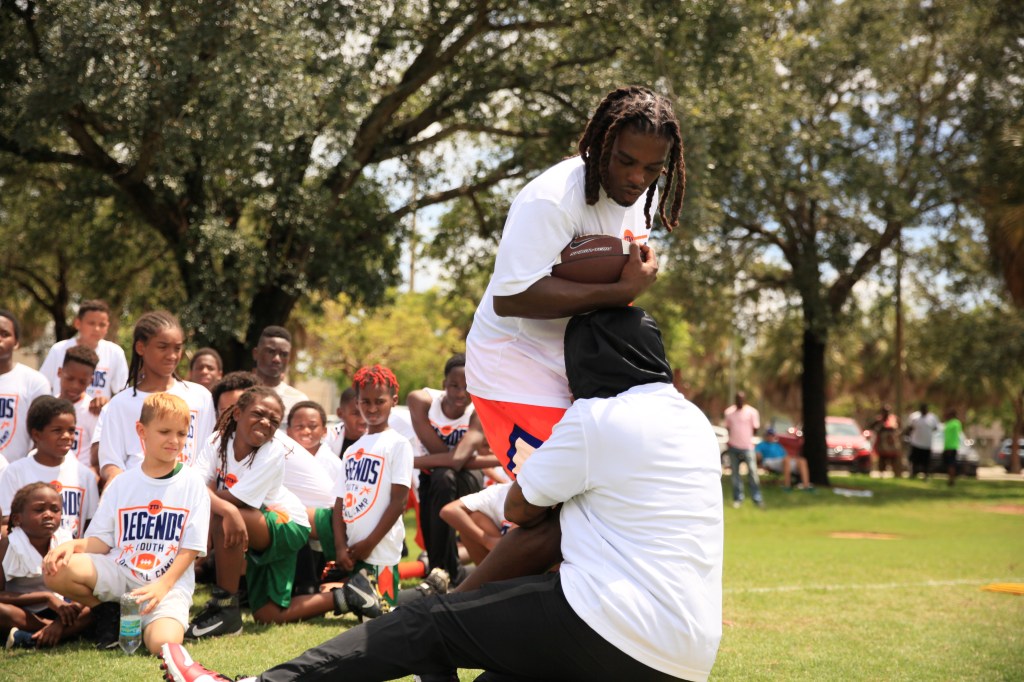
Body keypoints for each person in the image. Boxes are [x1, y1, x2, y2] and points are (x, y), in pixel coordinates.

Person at [158, 306, 724, 682]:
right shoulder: (692, 420)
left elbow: (524, 510)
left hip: (609, 622)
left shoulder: (598, 417)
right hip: (685, 656)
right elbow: (549, 531)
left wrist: (451, 607)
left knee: (421, 624)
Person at [464, 85, 685, 481]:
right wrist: (621, 292)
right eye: (625, 161)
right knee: (555, 501)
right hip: (513, 367)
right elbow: (510, 296)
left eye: (653, 169)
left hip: (573, 368)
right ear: (601, 145)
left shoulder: (639, 201)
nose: (637, 178)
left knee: (603, 494)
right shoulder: (553, 198)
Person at [43, 393, 210, 655]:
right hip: (121, 574)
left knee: (163, 645)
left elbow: (191, 549)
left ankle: (144, 621)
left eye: (181, 433)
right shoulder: (122, 483)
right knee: (56, 569)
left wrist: (162, 586)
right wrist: (73, 545)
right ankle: (107, 611)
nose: (174, 440)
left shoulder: (193, 483)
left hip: (167, 585)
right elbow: (101, 542)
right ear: (141, 431)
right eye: (164, 431)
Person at [185, 387, 338, 638]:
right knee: (268, 614)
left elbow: (235, 500)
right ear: (237, 413)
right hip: (260, 522)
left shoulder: (273, 450)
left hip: (288, 524)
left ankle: (225, 609)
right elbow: (194, 484)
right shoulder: (217, 440)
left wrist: (223, 507)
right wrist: (224, 506)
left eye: (274, 421)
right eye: (258, 414)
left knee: (226, 516)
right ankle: (347, 596)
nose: (266, 422)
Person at [310, 365, 413, 614]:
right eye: (365, 402)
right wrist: (340, 546)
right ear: (357, 402)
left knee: (382, 618)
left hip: (381, 549)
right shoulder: (352, 450)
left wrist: (370, 542)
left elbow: (399, 502)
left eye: (380, 401)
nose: (372, 408)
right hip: (354, 550)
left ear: (394, 401)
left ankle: (422, 594)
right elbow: (340, 502)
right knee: (365, 610)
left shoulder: (399, 444)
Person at [92, 310, 216, 485]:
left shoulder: (200, 397)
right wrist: (120, 482)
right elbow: (111, 462)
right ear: (140, 348)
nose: (172, 355)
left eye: (177, 348)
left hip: (187, 495)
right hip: (137, 497)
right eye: (162, 347)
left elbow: (209, 457)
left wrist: (194, 490)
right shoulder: (120, 403)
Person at [407, 354, 496, 584]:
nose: (461, 393)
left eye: (468, 387)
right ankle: (447, 573)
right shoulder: (421, 401)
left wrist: (411, 461)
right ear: (443, 384)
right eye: (454, 386)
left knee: (444, 475)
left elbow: (456, 461)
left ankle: (441, 573)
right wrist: (453, 458)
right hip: (433, 477)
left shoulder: (478, 411)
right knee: (440, 480)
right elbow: (447, 455)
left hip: (468, 478)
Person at [0, 482, 93, 649]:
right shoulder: (7, 546)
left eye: (55, 510)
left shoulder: (67, 542)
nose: (48, 515)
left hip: (64, 611)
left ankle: (31, 638)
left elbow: (88, 588)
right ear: (17, 518)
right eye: (39, 510)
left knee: (96, 605)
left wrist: (60, 622)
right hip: (24, 613)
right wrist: (45, 597)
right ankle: (63, 632)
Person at [0, 397, 98, 540]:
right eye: (57, 430)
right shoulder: (15, 472)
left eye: (71, 430)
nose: (66, 436)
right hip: (27, 552)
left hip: (71, 552)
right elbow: (6, 523)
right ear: (36, 434)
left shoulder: (85, 475)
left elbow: (91, 524)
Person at [38, 300, 128, 412]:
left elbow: (122, 392)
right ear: (78, 323)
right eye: (91, 323)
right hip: (61, 414)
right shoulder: (59, 349)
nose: (97, 329)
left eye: (102, 325)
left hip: (97, 417)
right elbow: (43, 385)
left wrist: (106, 402)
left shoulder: (115, 353)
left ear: (107, 326)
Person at [0, 310, 51, 465]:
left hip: (16, 475)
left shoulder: (35, 382)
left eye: (4, 334)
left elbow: (43, 434)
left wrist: (26, 471)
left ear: (16, 342)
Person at [439, 482, 514, 566]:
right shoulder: (500, 491)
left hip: (521, 554)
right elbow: (448, 510)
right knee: (473, 519)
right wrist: (488, 541)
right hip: (504, 554)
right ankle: (489, 573)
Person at [55, 345, 101, 473]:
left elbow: (98, 461)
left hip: (80, 480)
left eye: (82, 381)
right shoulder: (48, 406)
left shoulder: (94, 411)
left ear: (91, 381)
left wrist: (90, 478)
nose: (75, 386)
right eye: (70, 378)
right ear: (60, 372)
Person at [251, 326, 308, 428]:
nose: (277, 359)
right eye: (270, 352)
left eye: (284, 354)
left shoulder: (298, 401)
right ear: (255, 353)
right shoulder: (238, 393)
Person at [286, 400, 342, 482]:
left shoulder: (335, 465)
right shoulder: (281, 460)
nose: (306, 431)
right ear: (288, 431)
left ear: (324, 431)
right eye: (299, 426)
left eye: (312, 426)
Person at [724, 391, 763, 508]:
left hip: (748, 447)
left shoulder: (752, 412)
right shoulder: (729, 412)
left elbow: (755, 429)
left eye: (741, 399)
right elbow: (728, 428)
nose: (739, 401)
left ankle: (757, 498)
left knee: (753, 472)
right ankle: (738, 499)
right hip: (733, 446)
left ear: (744, 400)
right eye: (737, 399)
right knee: (735, 475)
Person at [323, 387, 366, 458]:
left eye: (365, 413)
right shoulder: (329, 437)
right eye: (356, 413)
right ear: (340, 413)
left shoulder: (375, 439)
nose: (363, 420)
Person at [906, 403, 939, 480]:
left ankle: (926, 475)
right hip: (916, 443)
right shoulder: (914, 417)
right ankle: (913, 474)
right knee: (914, 460)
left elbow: (935, 428)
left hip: (927, 444)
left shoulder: (933, 418)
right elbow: (909, 428)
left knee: (926, 462)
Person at [870, 404, 903, 478]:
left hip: (892, 444)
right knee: (882, 460)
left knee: (894, 459)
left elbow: (900, 428)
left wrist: (896, 433)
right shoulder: (879, 420)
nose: (886, 413)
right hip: (882, 444)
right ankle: (881, 475)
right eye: (884, 411)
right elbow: (872, 427)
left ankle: (897, 475)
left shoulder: (894, 418)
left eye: (887, 411)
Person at [942, 408, 963, 487]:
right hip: (947, 446)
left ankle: (952, 480)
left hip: (952, 446)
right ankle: (950, 478)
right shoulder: (948, 423)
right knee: (948, 464)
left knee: (951, 464)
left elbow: (956, 434)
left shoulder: (955, 423)